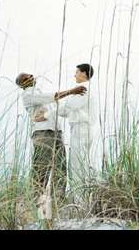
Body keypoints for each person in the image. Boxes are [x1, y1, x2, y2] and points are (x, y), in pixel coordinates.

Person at [15, 73, 87, 203]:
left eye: (30, 74)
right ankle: (35, 201)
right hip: (43, 133)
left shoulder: (39, 93)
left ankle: (58, 201)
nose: (30, 76)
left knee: (60, 167)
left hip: (56, 133)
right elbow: (51, 97)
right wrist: (72, 91)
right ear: (22, 84)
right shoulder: (28, 94)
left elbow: (60, 107)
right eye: (25, 78)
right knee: (42, 168)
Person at [35, 64, 97, 197]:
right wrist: (50, 111)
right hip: (79, 130)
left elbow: (68, 107)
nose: (74, 75)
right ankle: (78, 197)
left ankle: (82, 199)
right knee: (76, 165)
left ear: (84, 74)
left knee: (78, 166)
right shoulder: (81, 90)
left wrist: (45, 115)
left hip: (82, 130)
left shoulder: (84, 89)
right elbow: (67, 111)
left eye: (77, 72)